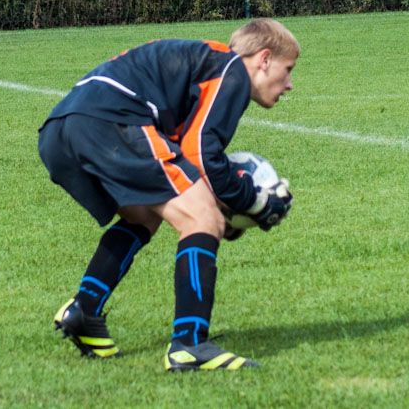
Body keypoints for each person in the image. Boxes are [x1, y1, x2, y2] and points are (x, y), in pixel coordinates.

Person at [38, 18, 299, 370]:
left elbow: (190, 160)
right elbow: (201, 154)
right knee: (200, 217)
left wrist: (230, 201)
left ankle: (84, 310)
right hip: (111, 120)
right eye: (288, 69)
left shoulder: (207, 62)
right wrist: (254, 201)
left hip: (62, 128)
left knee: (143, 216)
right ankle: (189, 345)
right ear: (264, 58)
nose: (290, 85)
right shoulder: (232, 71)